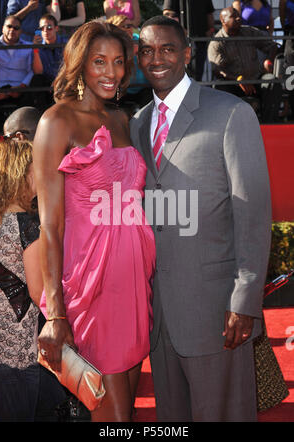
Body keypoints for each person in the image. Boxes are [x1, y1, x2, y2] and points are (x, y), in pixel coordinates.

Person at [130, 15, 272, 422]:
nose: (156, 58)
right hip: (160, 317)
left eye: (167, 48)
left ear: (188, 53)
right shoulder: (138, 123)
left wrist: (245, 299)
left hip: (216, 311)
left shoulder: (231, 113)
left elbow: (253, 213)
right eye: (146, 50)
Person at [32, 20, 156, 422]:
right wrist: (56, 312)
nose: (112, 72)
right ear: (80, 64)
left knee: (127, 411)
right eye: (99, 61)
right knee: (114, 416)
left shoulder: (122, 119)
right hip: (91, 285)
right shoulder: (57, 121)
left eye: (119, 62)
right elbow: (50, 225)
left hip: (134, 282)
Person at [0, 139, 66, 421]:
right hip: (18, 354)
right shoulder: (26, 224)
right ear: (22, 173)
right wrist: (63, 321)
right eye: (36, 168)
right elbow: (40, 293)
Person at [208, 7, 279, 121]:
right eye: (233, 16)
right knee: (218, 86)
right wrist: (238, 79)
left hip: (256, 80)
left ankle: (269, 123)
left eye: (239, 16)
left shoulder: (249, 31)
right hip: (233, 83)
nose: (238, 18)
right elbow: (217, 69)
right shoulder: (216, 43)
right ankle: (225, 125)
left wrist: (268, 61)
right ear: (223, 20)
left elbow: (272, 46)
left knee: (272, 82)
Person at [0, 15, 34, 131]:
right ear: (3, 28)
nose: (12, 30)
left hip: (21, 89)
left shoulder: (28, 47)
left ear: (20, 31)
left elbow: (31, 70)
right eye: (9, 26)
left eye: (16, 28)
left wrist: (22, 86)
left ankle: (27, 140)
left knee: (33, 101)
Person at [106, 14, 152, 112]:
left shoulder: (141, 42)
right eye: (124, 26)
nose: (128, 29)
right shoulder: (109, 46)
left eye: (130, 26)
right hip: (121, 89)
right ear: (114, 29)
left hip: (144, 88)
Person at [32, 13, 68, 110]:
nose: (45, 31)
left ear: (56, 28)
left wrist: (59, 79)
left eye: (49, 27)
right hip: (47, 84)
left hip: (65, 80)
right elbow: (38, 72)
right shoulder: (38, 46)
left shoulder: (67, 43)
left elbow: (72, 65)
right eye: (42, 28)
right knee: (37, 80)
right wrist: (35, 49)